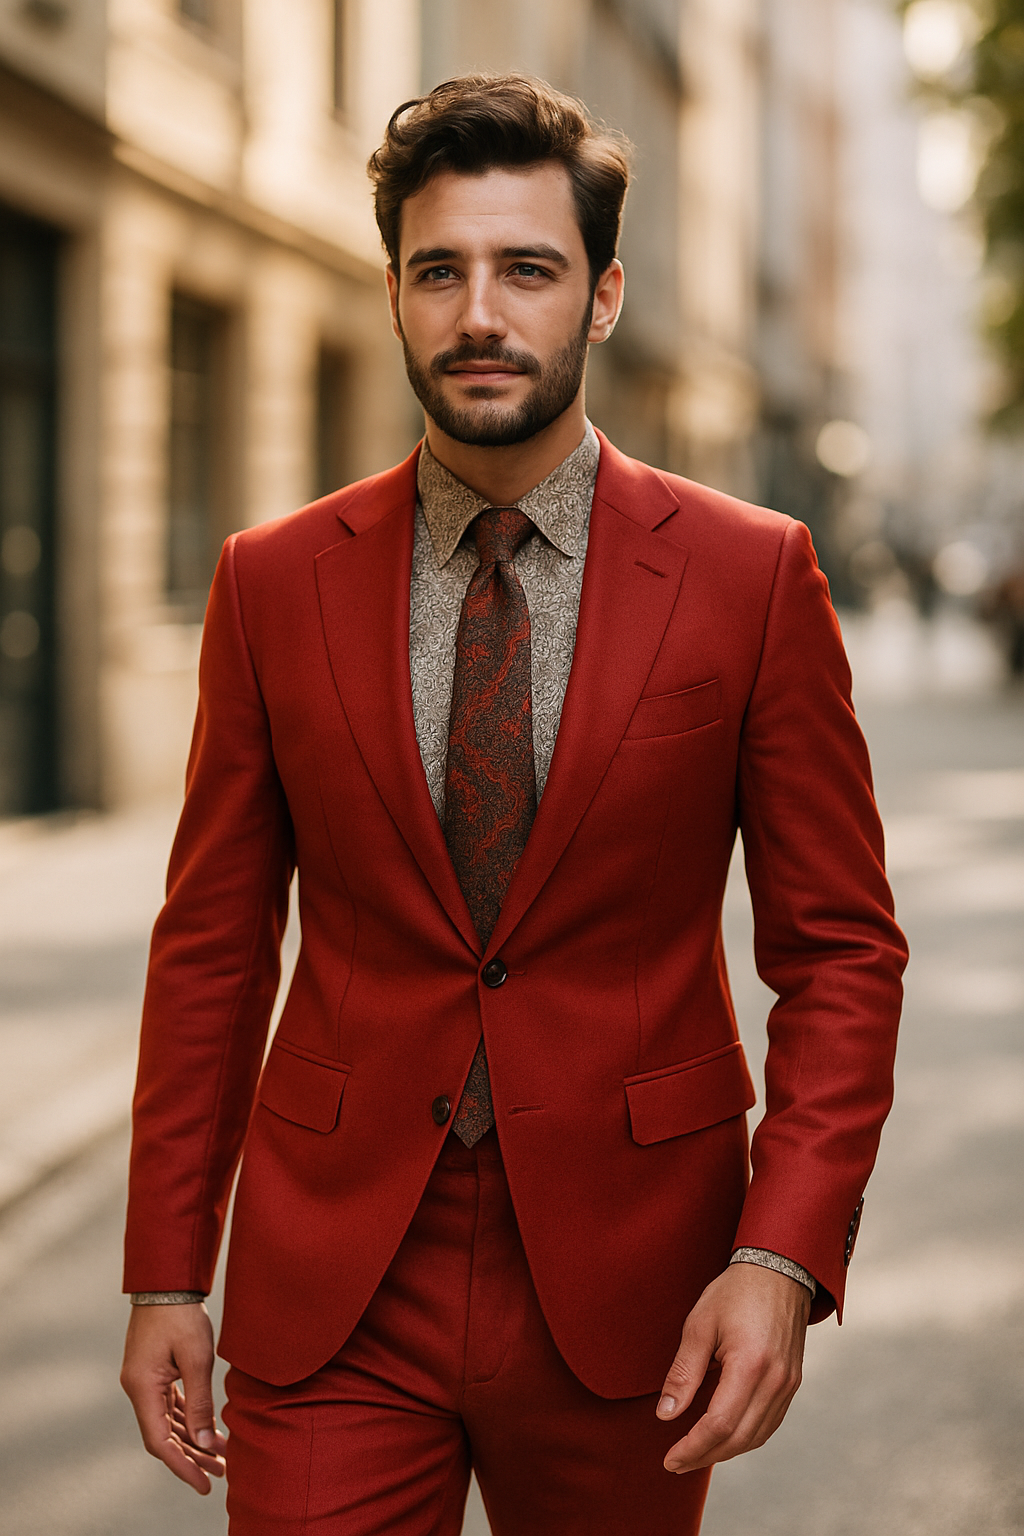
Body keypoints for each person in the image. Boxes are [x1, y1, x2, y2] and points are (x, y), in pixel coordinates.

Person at [120, 74, 907, 1536]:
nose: (480, 313)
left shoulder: (751, 575)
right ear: (396, 296)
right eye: (441, 271)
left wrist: (782, 1255)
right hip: (337, 1274)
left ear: (603, 298)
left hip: (632, 1277)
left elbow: (843, 953)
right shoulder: (270, 582)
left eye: (528, 270)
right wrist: (165, 1269)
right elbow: (214, 948)